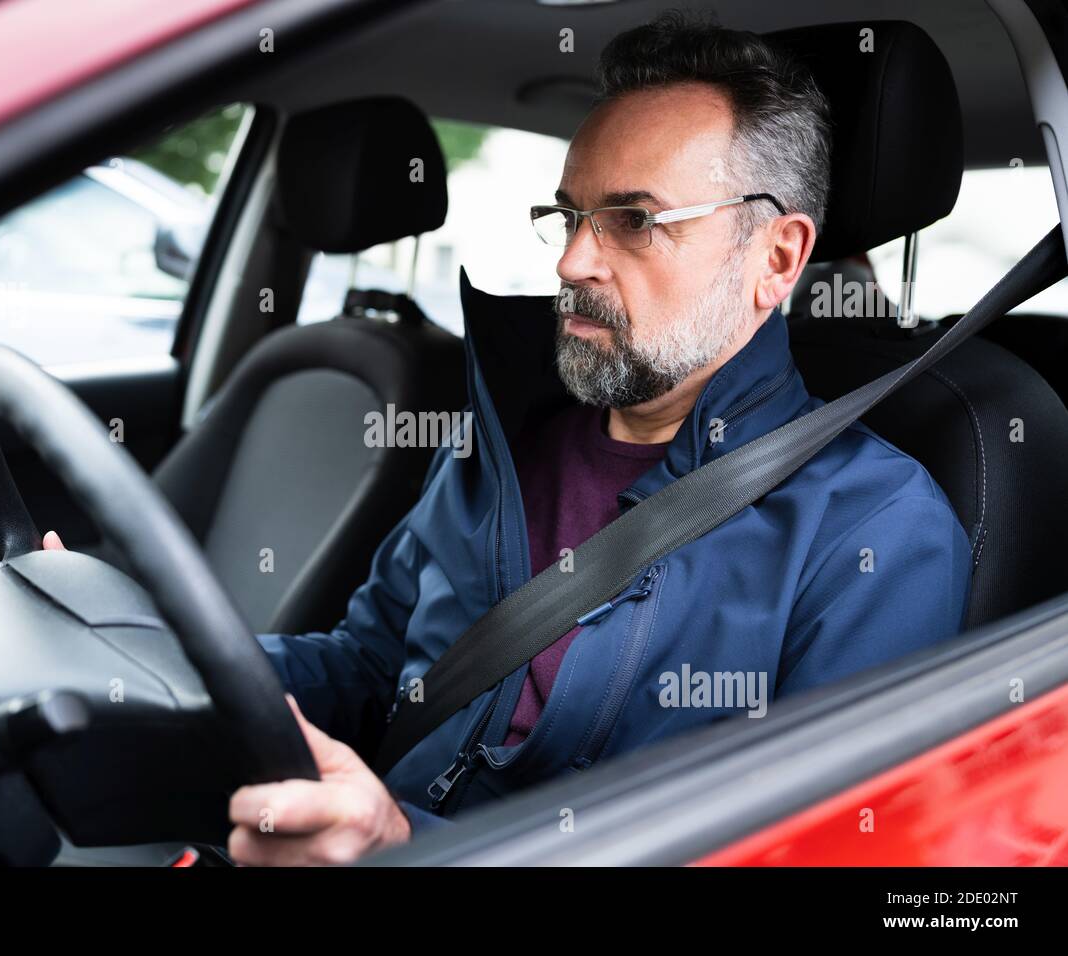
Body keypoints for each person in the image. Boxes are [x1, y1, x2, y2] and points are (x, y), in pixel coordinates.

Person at [47, 11, 971, 866]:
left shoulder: (871, 534)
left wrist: (405, 846)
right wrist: (150, 644)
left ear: (775, 259)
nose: (572, 259)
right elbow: (371, 668)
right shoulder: (503, 442)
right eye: (571, 214)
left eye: (635, 220)